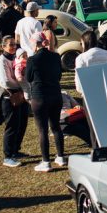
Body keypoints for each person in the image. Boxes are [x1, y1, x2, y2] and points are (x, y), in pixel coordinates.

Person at [25, 31, 66, 171]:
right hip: (55, 95)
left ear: (35, 45)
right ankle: (60, 157)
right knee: (56, 127)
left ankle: (46, 161)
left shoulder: (32, 59)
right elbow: (59, 75)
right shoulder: (55, 56)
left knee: (42, 130)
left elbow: (28, 78)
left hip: (39, 96)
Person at [0, 36, 29, 168]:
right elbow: (6, 81)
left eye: (15, 44)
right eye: (10, 45)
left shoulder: (16, 57)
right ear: (3, 46)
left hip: (20, 94)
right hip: (9, 97)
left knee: (22, 123)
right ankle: (8, 156)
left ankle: (16, 150)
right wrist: (21, 83)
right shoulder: (1, 60)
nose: (14, 47)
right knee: (12, 126)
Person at [74, 29, 107, 94]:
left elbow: (79, 82)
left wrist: (82, 92)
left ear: (85, 43)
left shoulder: (80, 58)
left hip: (90, 93)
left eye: (81, 43)